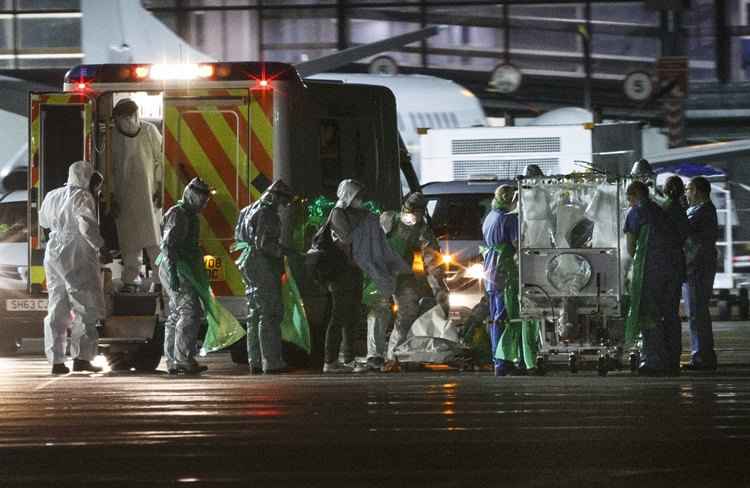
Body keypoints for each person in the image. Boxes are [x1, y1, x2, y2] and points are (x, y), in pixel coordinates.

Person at [322, 179, 409, 373]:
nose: (360, 199)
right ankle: (330, 361)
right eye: (356, 196)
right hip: (340, 273)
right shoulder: (338, 214)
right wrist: (363, 224)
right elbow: (347, 239)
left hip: (354, 271)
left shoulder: (362, 216)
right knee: (339, 316)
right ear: (348, 196)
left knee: (351, 317)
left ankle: (348, 358)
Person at [359, 192, 447, 372]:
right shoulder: (388, 219)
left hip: (402, 273)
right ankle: (374, 355)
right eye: (410, 210)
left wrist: (438, 285)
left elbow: (432, 258)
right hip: (381, 272)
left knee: (409, 309)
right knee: (379, 310)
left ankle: (395, 353)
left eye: (417, 212)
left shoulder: (421, 229)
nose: (413, 216)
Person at [39, 161, 105, 375]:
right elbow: (86, 224)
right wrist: (100, 246)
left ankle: (57, 361)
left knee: (57, 306)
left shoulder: (52, 195)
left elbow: (43, 221)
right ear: (86, 177)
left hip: (53, 251)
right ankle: (82, 358)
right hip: (76, 251)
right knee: (84, 305)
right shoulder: (83, 197)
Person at [234, 180, 295, 374]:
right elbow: (265, 244)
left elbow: (240, 236)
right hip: (263, 265)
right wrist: (288, 252)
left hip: (247, 263)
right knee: (269, 313)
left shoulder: (247, 210)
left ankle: (256, 361)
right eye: (284, 200)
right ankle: (272, 361)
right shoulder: (268, 214)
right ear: (276, 195)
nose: (284, 205)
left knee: (254, 314)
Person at [158, 177, 211, 375]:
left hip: (179, 266)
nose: (204, 203)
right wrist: (172, 273)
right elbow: (168, 246)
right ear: (192, 195)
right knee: (190, 311)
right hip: (174, 266)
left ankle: (173, 359)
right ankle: (183, 358)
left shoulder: (189, 215)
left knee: (177, 313)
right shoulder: (178, 215)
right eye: (202, 199)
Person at [110, 98, 163, 293]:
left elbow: (161, 160)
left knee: (154, 242)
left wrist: (159, 187)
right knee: (129, 242)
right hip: (123, 197)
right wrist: (110, 196)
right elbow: (109, 169)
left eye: (126, 117)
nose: (124, 122)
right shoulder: (112, 136)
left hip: (148, 196)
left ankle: (160, 278)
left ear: (134, 115)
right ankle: (131, 279)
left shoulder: (149, 131)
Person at [623, 180, 674, 375]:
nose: (629, 203)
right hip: (668, 269)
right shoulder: (660, 211)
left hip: (647, 269)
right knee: (663, 314)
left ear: (635, 194)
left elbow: (630, 247)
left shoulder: (635, 213)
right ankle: (667, 358)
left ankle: (653, 360)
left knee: (647, 314)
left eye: (629, 198)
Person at [482, 185, 533, 376]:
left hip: (491, 270)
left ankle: (498, 359)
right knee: (508, 317)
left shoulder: (490, 216)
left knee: (496, 317)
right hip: (506, 270)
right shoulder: (511, 219)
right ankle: (504, 361)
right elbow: (518, 244)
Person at [683, 176, 720, 371]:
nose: (686, 194)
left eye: (688, 189)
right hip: (699, 267)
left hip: (697, 268)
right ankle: (703, 355)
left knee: (697, 313)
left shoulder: (702, 212)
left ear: (697, 190)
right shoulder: (703, 210)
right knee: (697, 313)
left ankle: (702, 358)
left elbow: (685, 230)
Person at [660, 176, 690, 374]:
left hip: (665, 266)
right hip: (676, 264)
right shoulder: (680, 210)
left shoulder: (666, 208)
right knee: (671, 313)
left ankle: (668, 357)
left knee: (666, 313)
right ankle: (673, 356)